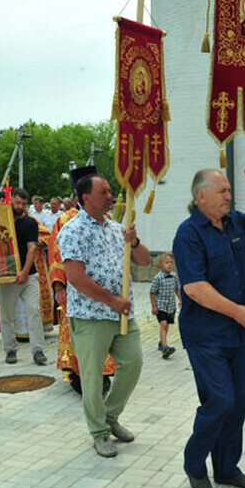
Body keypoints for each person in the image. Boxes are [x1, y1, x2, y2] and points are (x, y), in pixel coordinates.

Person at [173, 164, 245, 488]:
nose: (229, 195)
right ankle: (195, 464)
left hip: (236, 333)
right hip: (205, 333)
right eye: (222, 191)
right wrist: (239, 312)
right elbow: (194, 288)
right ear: (200, 196)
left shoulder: (236, 221)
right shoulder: (189, 233)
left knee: (239, 403)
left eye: (230, 190)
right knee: (220, 400)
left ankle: (226, 468)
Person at [57, 173, 150, 458]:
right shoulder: (73, 230)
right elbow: (75, 277)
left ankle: (110, 416)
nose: (111, 197)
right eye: (104, 192)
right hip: (91, 315)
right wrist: (111, 299)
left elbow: (145, 261)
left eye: (110, 191)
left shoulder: (115, 227)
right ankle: (98, 433)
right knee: (92, 378)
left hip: (122, 314)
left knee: (133, 363)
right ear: (86, 197)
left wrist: (134, 243)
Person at [48, 166, 118, 395]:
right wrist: (59, 286)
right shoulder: (65, 221)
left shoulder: (107, 220)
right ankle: (79, 376)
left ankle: (105, 373)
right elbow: (56, 255)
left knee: (104, 333)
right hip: (76, 290)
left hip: (104, 292)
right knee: (80, 335)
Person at [0, 188, 47, 365]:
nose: (21, 207)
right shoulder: (1, 220)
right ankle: (10, 349)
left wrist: (24, 272)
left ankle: (38, 350)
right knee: (6, 315)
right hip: (7, 276)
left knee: (34, 311)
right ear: (11, 201)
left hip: (29, 275)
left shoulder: (30, 223)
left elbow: (32, 248)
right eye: (18, 203)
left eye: (24, 204)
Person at [149, 251, 180, 359]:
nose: (169, 265)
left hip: (171, 306)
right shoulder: (158, 278)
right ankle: (165, 348)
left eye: (171, 262)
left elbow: (177, 289)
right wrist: (154, 306)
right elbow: (152, 293)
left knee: (166, 326)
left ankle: (162, 342)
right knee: (164, 324)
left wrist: (180, 299)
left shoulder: (174, 276)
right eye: (167, 262)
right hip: (160, 305)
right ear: (161, 264)